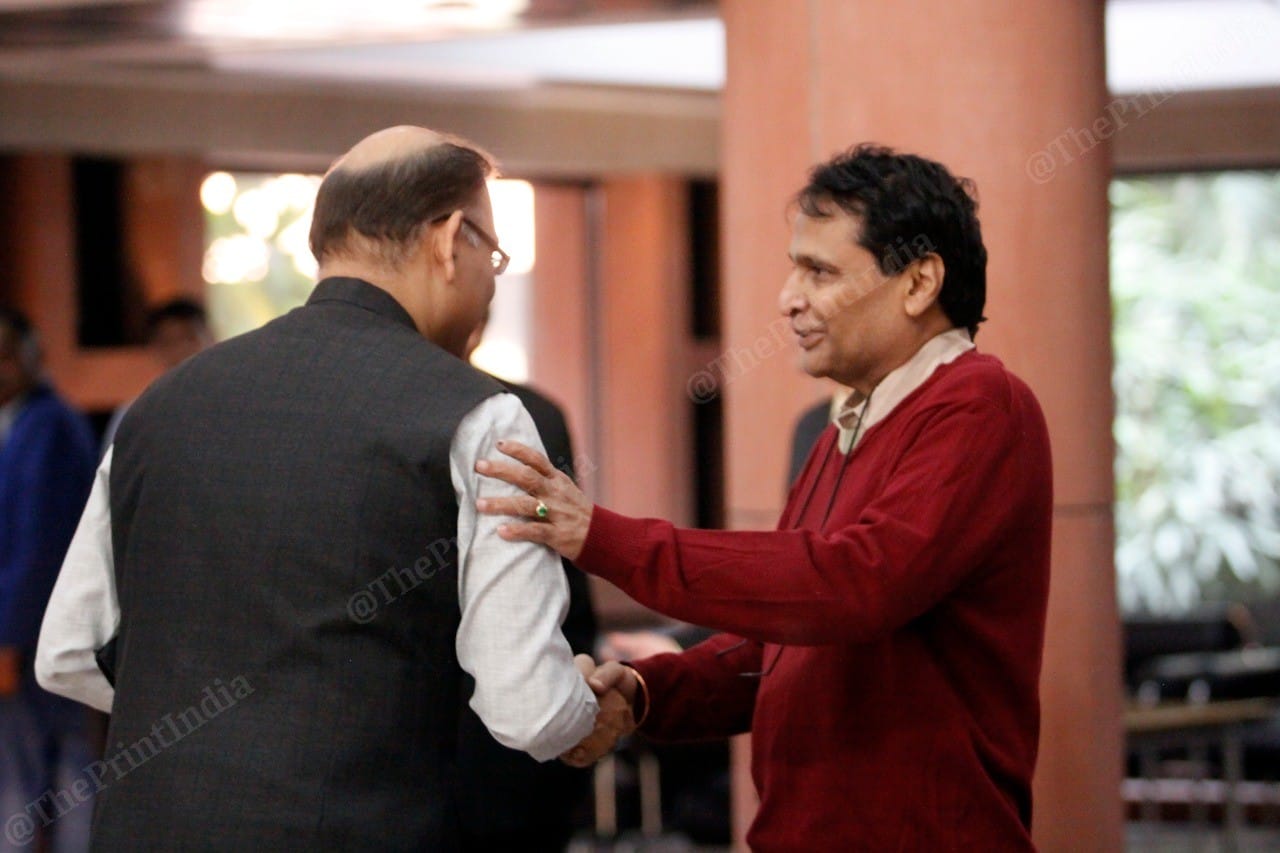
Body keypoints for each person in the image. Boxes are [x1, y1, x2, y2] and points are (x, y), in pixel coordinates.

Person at [35, 126, 620, 850]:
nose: (491, 276)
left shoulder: (158, 406)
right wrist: (591, 709)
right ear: (448, 239)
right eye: (492, 252)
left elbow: (66, 651)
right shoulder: (484, 415)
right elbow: (529, 709)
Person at [474, 144, 1054, 850]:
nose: (789, 299)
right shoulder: (838, 433)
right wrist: (646, 692)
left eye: (820, 270)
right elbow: (775, 648)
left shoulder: (981, 405)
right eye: (794, 267)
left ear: (919, 281)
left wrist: (598, 536)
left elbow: (853, 583)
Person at [453, 313, 598, 851]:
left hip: (513, 764)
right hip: (480, 763)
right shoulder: (530, 414)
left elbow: (568, 580)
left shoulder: (533, 415)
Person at [0, 308, 97, 852]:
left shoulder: (49, 426)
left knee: (39, 772)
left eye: (10, 354)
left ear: (36, 356)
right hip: (27, 632)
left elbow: (39, 547)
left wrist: (9, 640)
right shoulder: (16, 423)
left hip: (35, 634)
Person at [100, 298, 214, 451]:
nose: (181, 350)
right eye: (169, 342)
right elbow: (114, 471)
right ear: (154, 349)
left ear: (212, 337)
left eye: (189, 338)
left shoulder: (234, 402)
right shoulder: (136, 412)